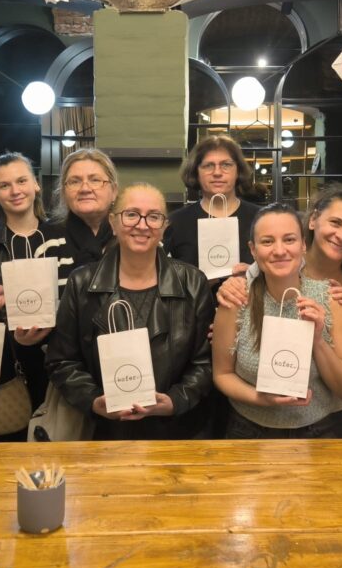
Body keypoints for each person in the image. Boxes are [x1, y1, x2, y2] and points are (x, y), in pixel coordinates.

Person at [45, 183, 215, 440]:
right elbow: (62, 361)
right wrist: (93, 400)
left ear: (164, 226)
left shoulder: (193, 282)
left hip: (177, 433)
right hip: (103, 433)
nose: (142, 225)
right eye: (131, 214)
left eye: (154, 216)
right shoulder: (81, 283)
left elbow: (205, 362)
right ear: (113, 223)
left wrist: (175, 400)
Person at [217, 185, 342, 431]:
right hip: (248, 427)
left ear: (302, 245)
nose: (280, 250)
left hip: (323, 424)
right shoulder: (241, 296)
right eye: (267, 241)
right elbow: (222, 373)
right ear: (253, 250)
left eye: (289, 240)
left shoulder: (335, 297)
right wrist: (260, 398)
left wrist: (321, 337)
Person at [0, 152, 67, 412]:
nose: (15, 191)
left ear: (36, 184)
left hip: (61, 361)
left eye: (22, 181)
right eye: (4, 185)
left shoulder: (62, 236)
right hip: (7, 366)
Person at [164, 134, 260, 278]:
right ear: (196, 172)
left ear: (238, 171)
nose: (217, 173)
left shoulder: (261, 219)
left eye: (226, 165)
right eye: (208, 166)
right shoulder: (176, 222)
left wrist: (256, 275)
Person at [49, 148, 118, 280]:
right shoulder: (45, 238)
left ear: (114, 191)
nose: (85, 189)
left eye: (95, 180)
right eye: (75, 181)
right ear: (63, 192)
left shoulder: (133, 234)